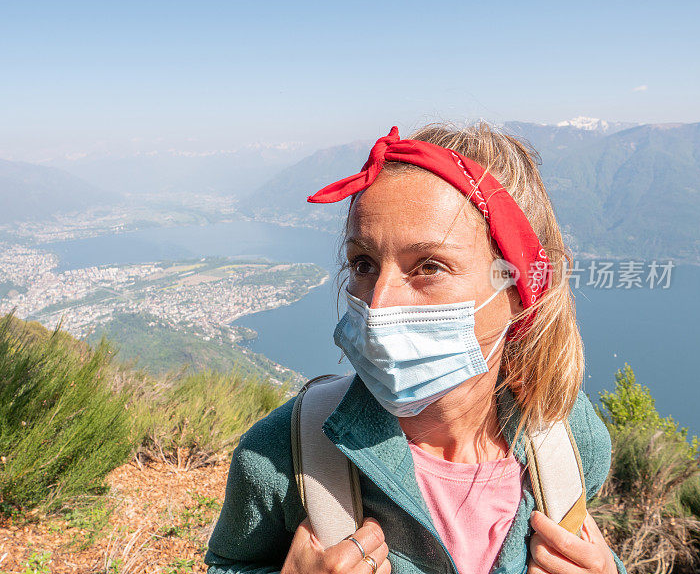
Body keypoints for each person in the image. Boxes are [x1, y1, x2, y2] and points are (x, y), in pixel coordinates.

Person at [204, 123, 627, 574]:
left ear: (517, 287)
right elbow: (229, 563)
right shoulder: (283, 453)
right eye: (363, 263)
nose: (378, 304)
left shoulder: (566, 436)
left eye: (428, 266)